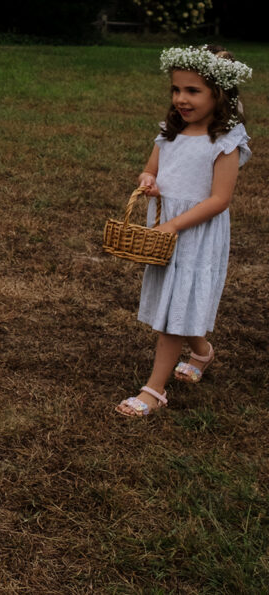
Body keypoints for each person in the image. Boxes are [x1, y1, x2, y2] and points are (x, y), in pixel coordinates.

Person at [117, 45, 252, 417]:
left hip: (194, 233)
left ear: (219, 94)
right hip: (165, 230)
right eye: (176, 90)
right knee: (178, 300)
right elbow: (151, 170)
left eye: (193, 91)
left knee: (177, 305)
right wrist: (149, 181)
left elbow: (220, 199)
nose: (181, 99)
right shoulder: (170, 132)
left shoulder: (225, 141)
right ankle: (203, 352)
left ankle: (154, 389)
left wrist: (174, 225)